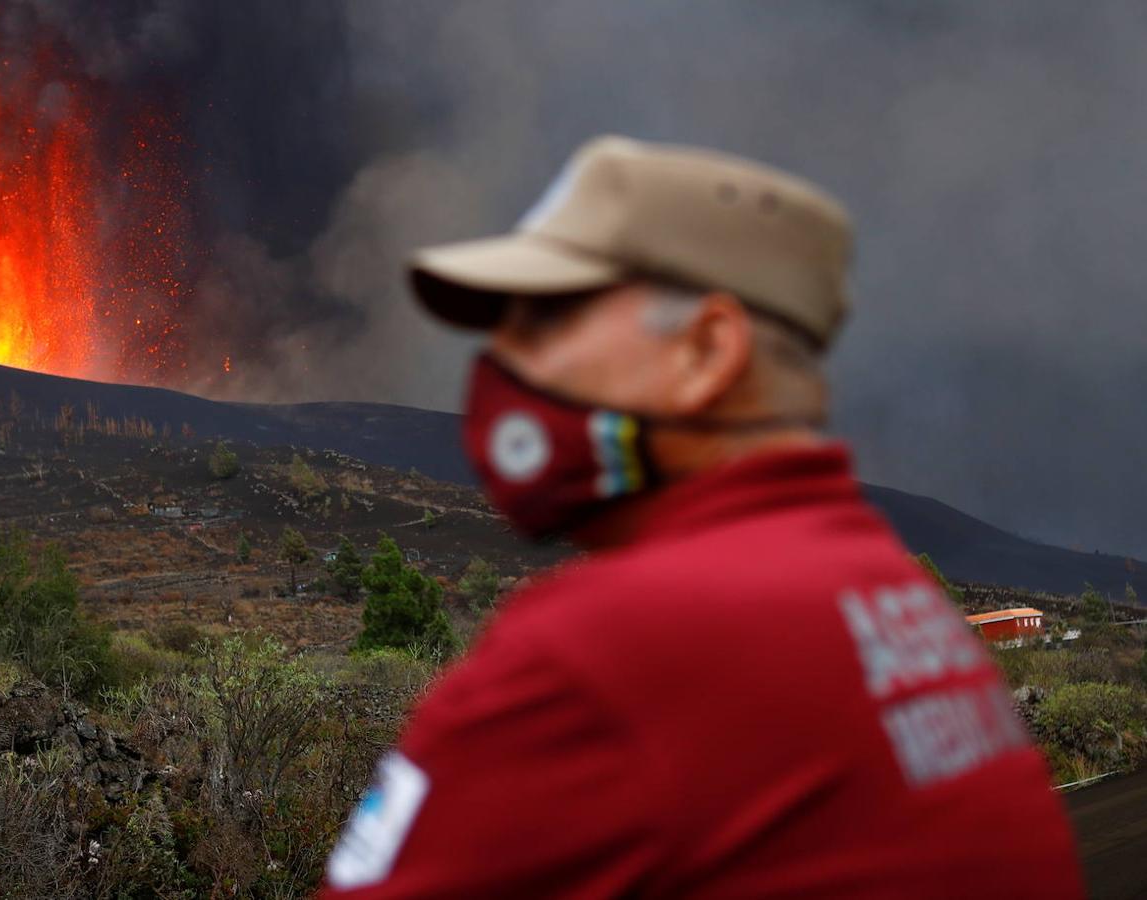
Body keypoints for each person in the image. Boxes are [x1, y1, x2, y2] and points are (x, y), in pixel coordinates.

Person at [321, 136, 1084, 898]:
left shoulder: (609, 650)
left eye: (546, 320)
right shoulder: (896, 603)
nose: (500, 367)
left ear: (707, 349)